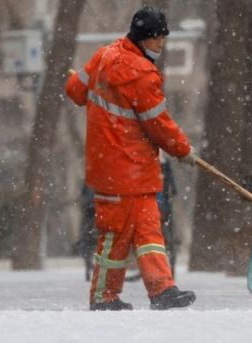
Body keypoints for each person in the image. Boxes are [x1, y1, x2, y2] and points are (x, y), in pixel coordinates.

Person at [65, 5, 196, 311]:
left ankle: (162, 290)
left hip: (123, 169)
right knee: (114, 237)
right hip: (124, 169)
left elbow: (74, 91)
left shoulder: (103, 56)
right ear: (140, 39)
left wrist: (82, 81)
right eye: (155, 39)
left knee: (149, 231)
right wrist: (182, 150)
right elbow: (159, 124)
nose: (160, 45)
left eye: (163, 38)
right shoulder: (142, 75)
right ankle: (103, 296)